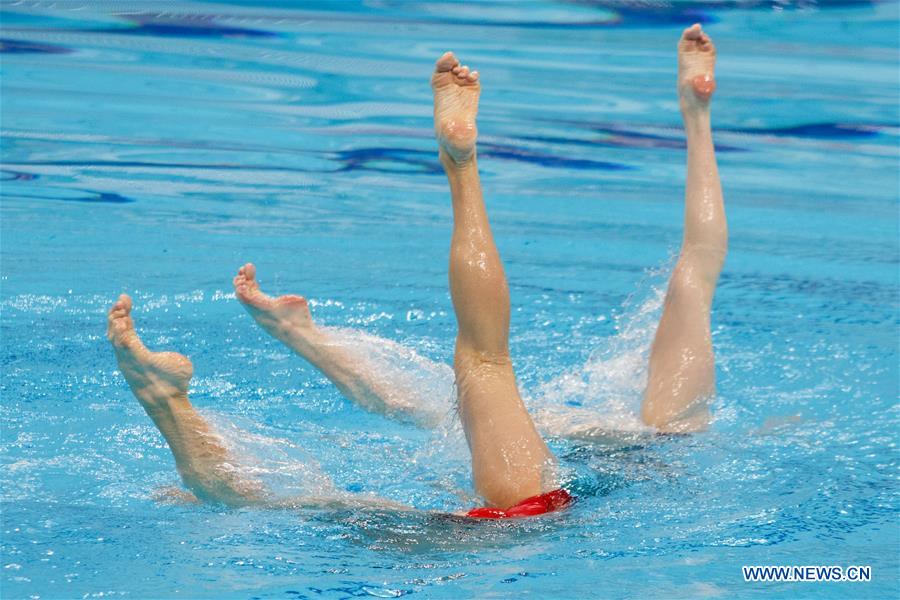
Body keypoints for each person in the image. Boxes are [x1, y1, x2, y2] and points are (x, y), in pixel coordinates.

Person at [106, 24, 726, 517]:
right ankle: (173, 405)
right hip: (529, 513)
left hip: (538, 500)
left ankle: (461, 170)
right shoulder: (644, 439)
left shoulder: (636, 428)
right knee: (306, 504)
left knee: (485, 363)